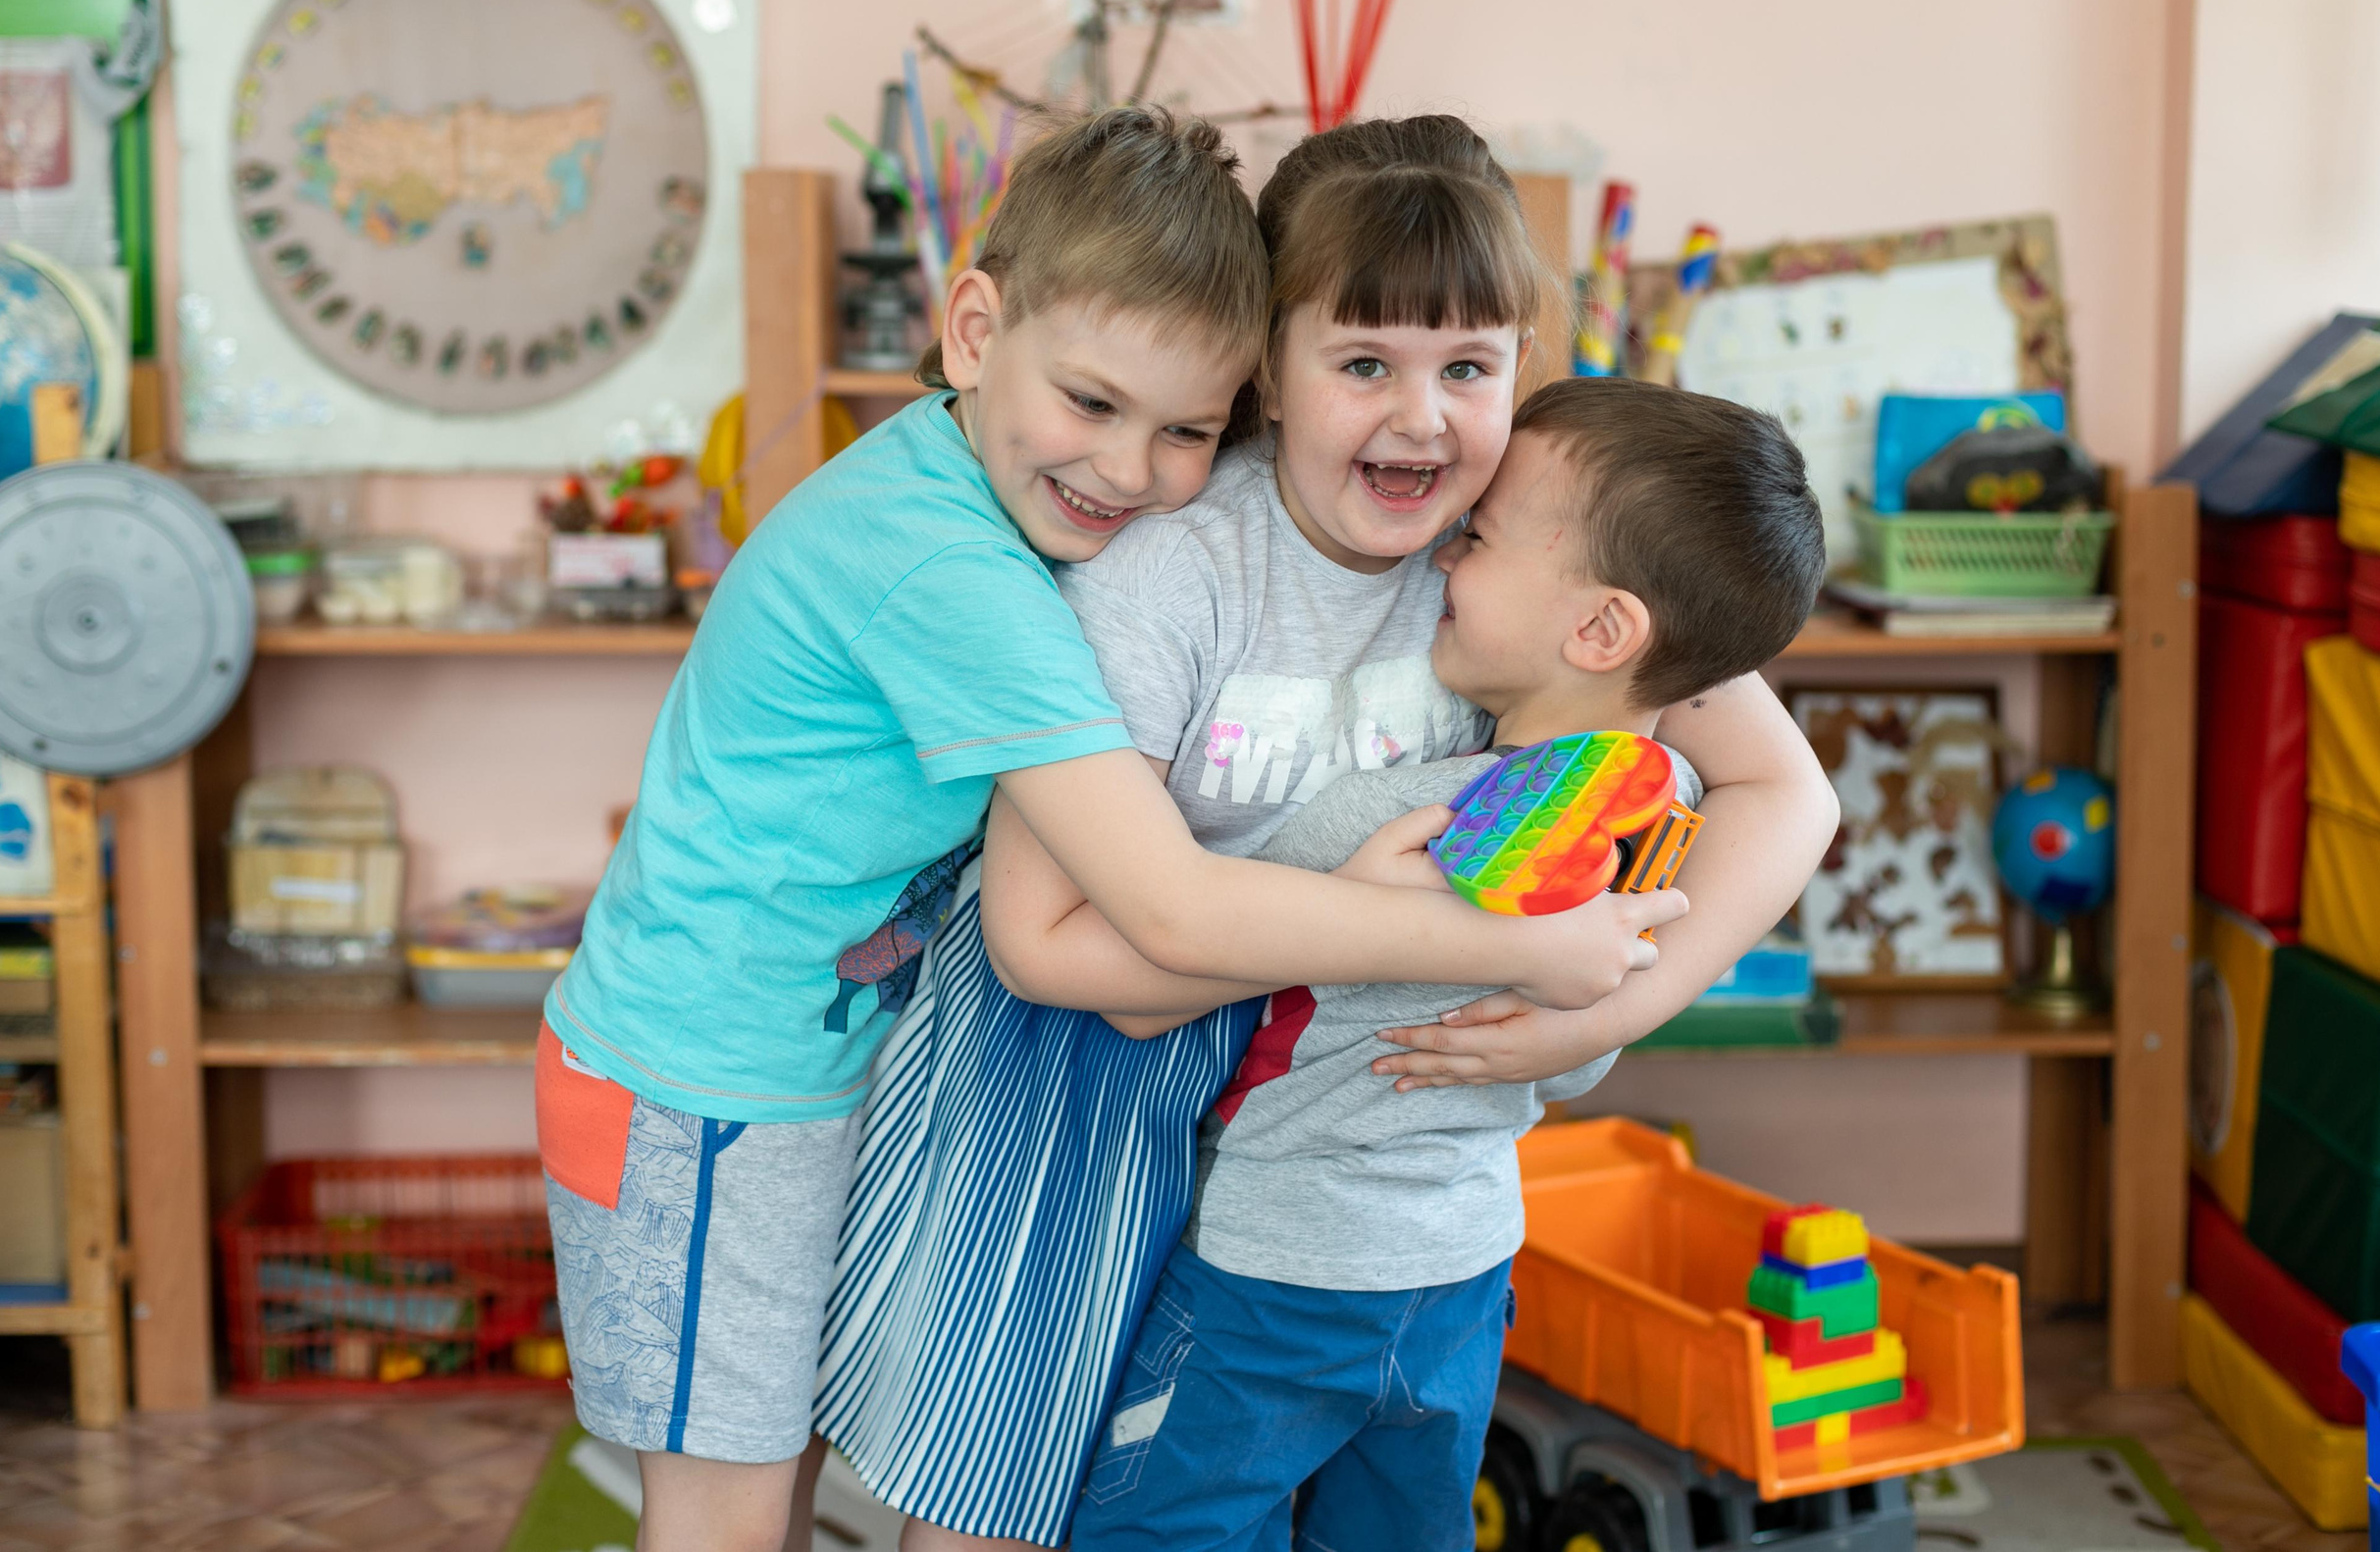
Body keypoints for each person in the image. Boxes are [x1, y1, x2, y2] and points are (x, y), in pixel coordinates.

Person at [536, 108, 1683, 1552]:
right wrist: (1510, 942)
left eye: (1184, 430)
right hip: (706, 1076)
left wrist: (1639, 978)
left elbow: (1773, 768)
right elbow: (1158, 916)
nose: (1129, 471)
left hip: (830, 1052)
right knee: (726, 1509)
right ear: (969, 327)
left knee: (837, 1468)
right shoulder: (969, 574)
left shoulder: (1014, 499)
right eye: (1090, 403)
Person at [813, 117, 1829, 1551]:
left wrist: (1616, 997)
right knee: (1011, 1499)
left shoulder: (1528, 549)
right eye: (1364, 365)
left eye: (1469, 369)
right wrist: (1425, 938)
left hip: (1335, 1135)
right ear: (1265, 377)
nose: (1423, 421)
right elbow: (1041, 944)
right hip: (1088, 1076)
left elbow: (1791, 793)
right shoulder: (1174, 569)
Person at [1064, 375, 1831, 1552]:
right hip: (1462, 1280)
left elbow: (1149, 986)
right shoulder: (1671, 821)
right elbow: (1573, 1071)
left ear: (1599, 628)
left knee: (1165, 1531)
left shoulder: (1384, 822)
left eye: (1475, 537)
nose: (1439, 560)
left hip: (1272, 1273)